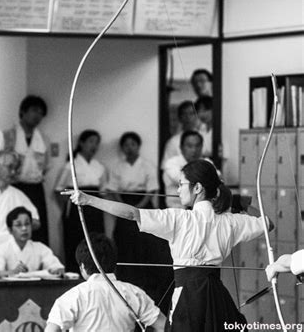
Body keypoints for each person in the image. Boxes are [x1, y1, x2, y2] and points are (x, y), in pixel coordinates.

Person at [63, 160, 272, 332]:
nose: (178, 189)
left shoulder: (179, 219)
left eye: (181, 184)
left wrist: (89, 200)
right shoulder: (230, 221)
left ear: (197, 188)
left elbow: (132, 213)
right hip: (217, 296)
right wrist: (242, 203)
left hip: (189, 297)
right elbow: (268, 223)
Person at [45, 233, 166, 332]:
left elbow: (51, 330)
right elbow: (163, 326)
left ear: (82, 267)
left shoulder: (72, 297)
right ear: (114, 264)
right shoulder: (134, 293)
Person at [107, 132, 173, 308]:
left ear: (138, 146)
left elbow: (151, 190)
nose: (130, 148)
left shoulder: (146, 165)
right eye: (126, 145)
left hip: (143, 204)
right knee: (124, 244)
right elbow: (112, 189)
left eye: (133, 144)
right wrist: (123, 206)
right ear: (122, 148)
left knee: (145, 244)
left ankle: (146, 284)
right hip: (123, 204)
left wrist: (138, 209)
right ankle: (126, 281)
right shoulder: (117, 166)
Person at [55, 129, 107, 272]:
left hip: (95, 207)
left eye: (97, 143)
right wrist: (67, 207)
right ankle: (74, 273)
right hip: (77, 207)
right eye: (91, 141)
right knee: (75, 240)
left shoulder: (99, 166)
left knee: (95, 241)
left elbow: (103, 190)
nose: (94, 146)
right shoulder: (71, 164)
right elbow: (59, 189)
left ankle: (96, 273)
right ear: (82, 143)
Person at [4, 95, 50, 244]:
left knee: (37, 225)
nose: (37, 116)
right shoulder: (9, 135)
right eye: (34, 110)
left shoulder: (43, 137)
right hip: (16, 185)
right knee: (16, 222)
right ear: (23, 111)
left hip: (36, 187)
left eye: (41, 113)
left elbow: (47, 165)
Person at [0, 206, 64, 278]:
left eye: (27, 224)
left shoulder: (40, 248)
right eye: (18, 225)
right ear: (10, 230)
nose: (24, 228)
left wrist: (56, 270)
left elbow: (57, 267)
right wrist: (14, 272)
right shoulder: (2, 249)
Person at [162, 130, 203, 208]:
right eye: (190, 146)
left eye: (197, 146)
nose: (194, 150)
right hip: (176, 210)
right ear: (181, 147)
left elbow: (217, 180)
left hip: (199, 211)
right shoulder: (171, 163)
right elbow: (184, 181)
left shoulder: (207, 162)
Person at [161, 100, 201, 168]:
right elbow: (166, 168)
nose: (188, 117)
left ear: (197, 116)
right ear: (179, 117)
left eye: (192, 113)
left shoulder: (204, 137)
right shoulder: (173, 142)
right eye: (184, 114)